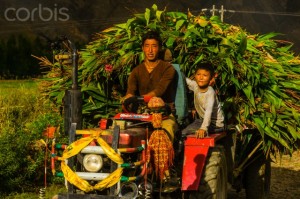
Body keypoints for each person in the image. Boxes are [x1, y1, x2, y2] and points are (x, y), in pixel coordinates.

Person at [123, 30, 178, 141]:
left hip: (164, 114)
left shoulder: (168, 68)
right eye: (147, 46)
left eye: (154, 46)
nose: (150, 50)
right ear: (143, 48)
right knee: (120, 130)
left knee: (166, 133)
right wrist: (128, 98)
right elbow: (130, 91)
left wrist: (144, 99)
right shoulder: (136, 71)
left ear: (160, 48)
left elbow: (160, 90)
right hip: (141, 114)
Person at [182, 62, 224, 138]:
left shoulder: (210, 93)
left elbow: (208, 111)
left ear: (211, 78)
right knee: (182, 131)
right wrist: (177, 71)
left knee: (185, 133)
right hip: (201, 120)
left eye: (205, 75)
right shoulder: (195, 86)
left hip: (215, 124)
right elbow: (185, 80)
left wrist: (203, 128)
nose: (201, 77)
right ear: (195, 76)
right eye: (198, 74)